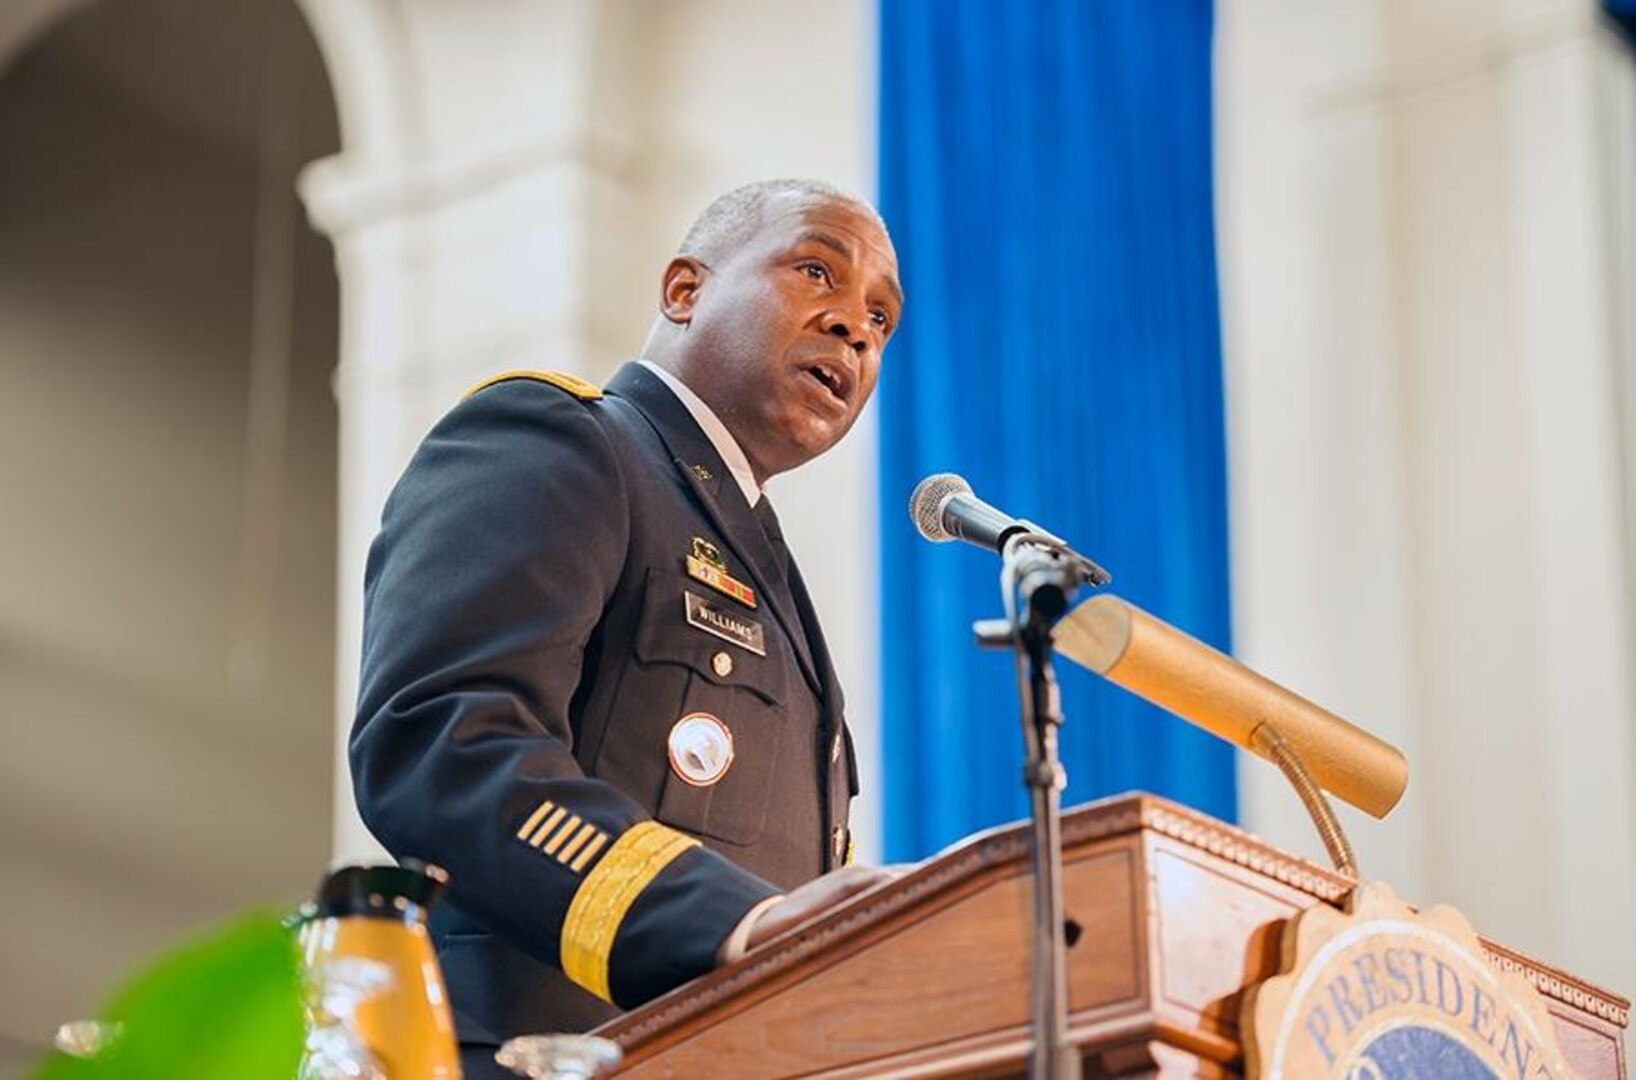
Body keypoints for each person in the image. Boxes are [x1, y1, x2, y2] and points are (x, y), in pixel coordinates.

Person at [350, 178, 905, 1074]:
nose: (855, 328)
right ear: (685, 291)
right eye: (816, 271)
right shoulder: (561, 441)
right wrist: (734, 923)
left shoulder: (763, 572)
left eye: (881, 321)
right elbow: (444, 746)